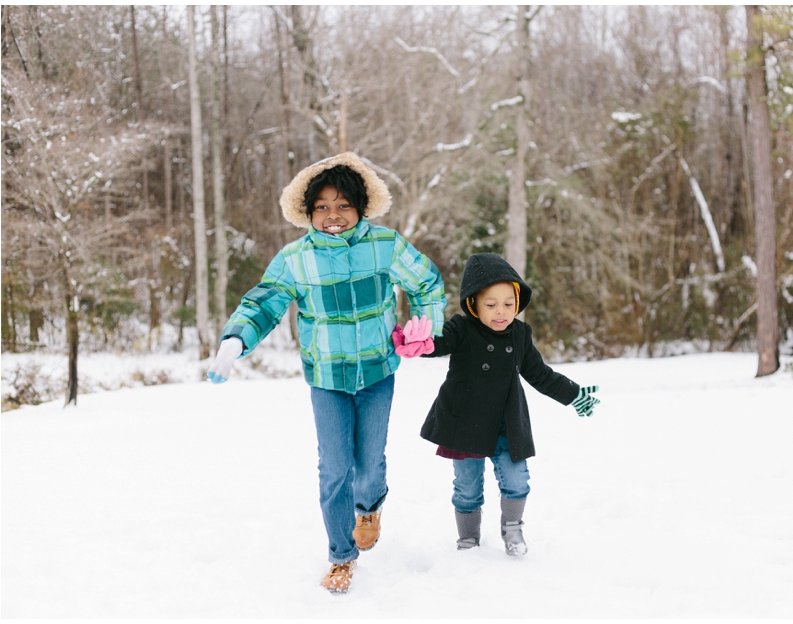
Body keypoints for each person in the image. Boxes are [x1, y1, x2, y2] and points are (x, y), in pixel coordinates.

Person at [207, 152, 445, 594]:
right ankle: (341, 556)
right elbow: (265, 300)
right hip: (327, 379)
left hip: (377, 372)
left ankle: (369, 507)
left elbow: (427, 283)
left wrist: (425, 323)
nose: (333, 216)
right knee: (335, 467)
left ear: (360, 208)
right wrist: (235, 340)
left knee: (369, 464)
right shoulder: (296, 258)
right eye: (322, 207)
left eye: (343, 206)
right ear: (308, 211)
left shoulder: (385, 245)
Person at [395, 252, 599, 555]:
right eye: (491, 304)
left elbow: (539, 374)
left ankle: (513, 530)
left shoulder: (520, 334)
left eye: (508, 303)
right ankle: (468, 539)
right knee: (466, 488)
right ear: (473, 304)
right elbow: (439, 343)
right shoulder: (462, 329)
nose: (501, 312)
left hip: (506, 424)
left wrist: (573, 395)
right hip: (464, 422)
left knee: (517, 479)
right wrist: (420, 343)